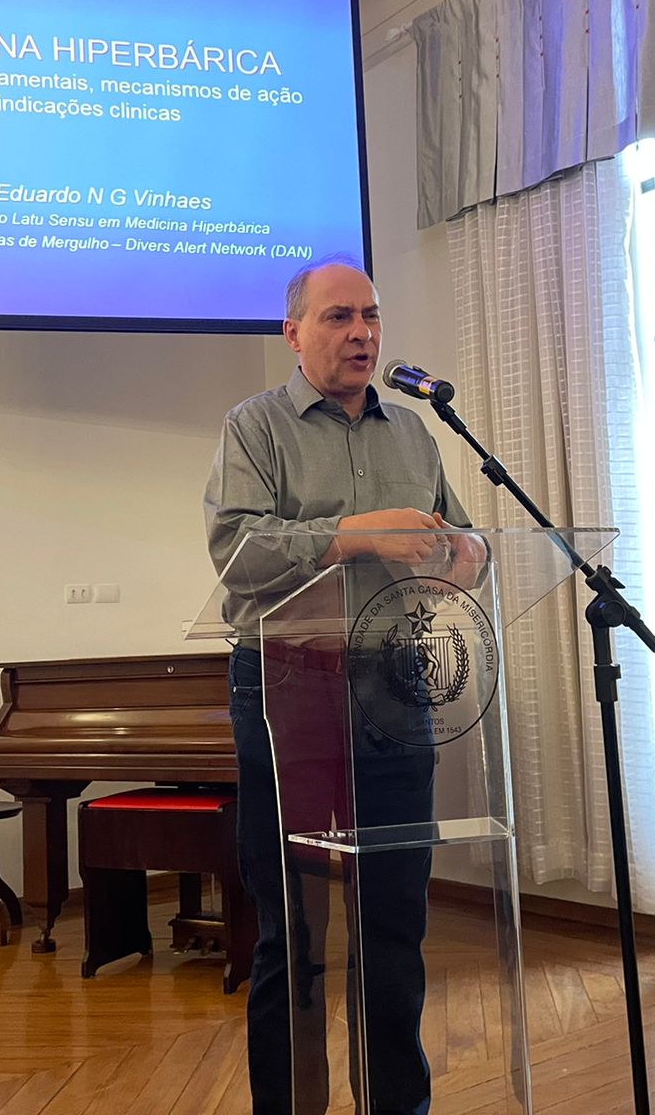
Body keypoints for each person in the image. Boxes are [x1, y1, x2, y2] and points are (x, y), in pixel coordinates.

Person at [203, 259, 485, 1115]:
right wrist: (355, 534)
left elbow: (460, 535)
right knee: (294, 929)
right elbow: (239, 552)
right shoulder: (255, 426)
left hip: (396, 684)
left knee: (395, 923)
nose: (361, 333)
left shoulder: (414, 432)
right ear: (294, 333)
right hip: (288, 687)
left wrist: (467, 553)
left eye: (370, 315)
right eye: (338, 317)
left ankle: (395, 1106)